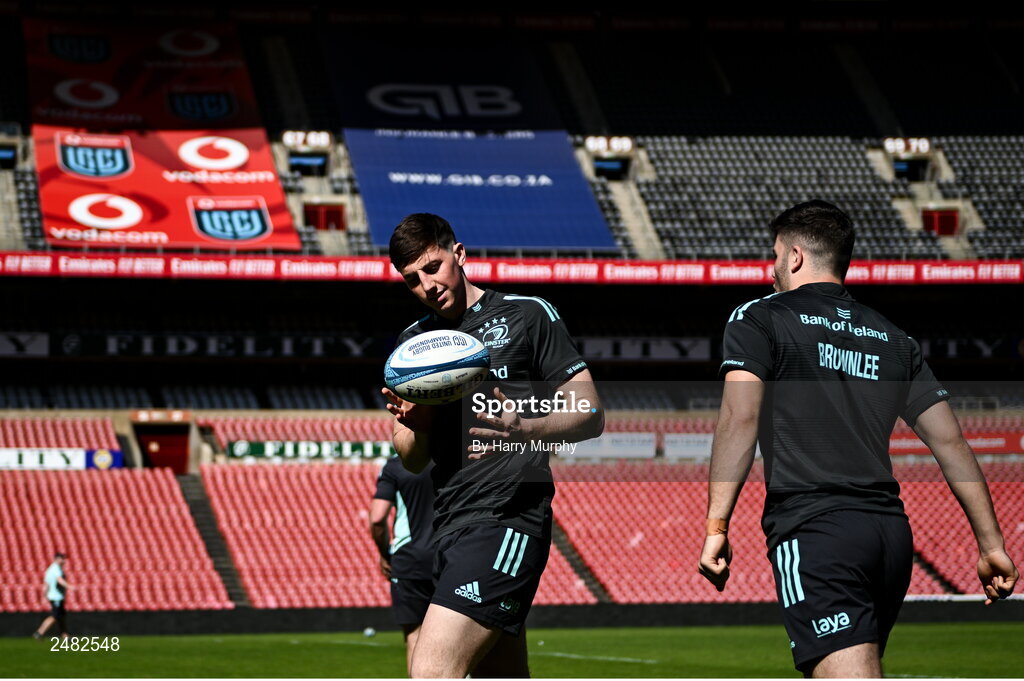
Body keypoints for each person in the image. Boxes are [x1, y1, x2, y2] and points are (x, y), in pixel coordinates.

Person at [698, 200, 1018, 678]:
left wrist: (717, 527)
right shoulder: (894, 338)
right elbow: (951, 444)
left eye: (775, 255)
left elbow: (739, 418)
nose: (770, 270)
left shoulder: (759, 317)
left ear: (796, 256)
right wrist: (990, 543)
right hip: (890, 538)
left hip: (817, 529)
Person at [382, 213, 603, 678]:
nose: (427, 284)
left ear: (459, 254)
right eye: (412, 279)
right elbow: (413, 457)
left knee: (431, 669)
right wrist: (417, 422)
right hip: (449, 526)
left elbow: (591, 412)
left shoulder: (526, 314)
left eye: (433, 266)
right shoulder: (412, 346)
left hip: (505, 518)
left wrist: (526, 425)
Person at [369, 455, 436, 675]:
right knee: (459, 636)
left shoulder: (396, 466)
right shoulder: (456, 458)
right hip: (454, 556)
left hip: (410, 560)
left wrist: (384, 554)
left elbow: (377, 519)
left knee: (415, 636)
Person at [33, 552, 72, 640]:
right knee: (55, 616)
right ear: (57, 559)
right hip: (56, 597)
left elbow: (46, 584)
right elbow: (59, 580)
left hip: (56, 596)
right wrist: (69, 586)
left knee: (61, 617)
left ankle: (65, 635)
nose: (64, 561)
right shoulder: (56, 569)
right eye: (62, 558)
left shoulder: (50, 569)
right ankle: (39, 632)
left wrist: (44, 595)